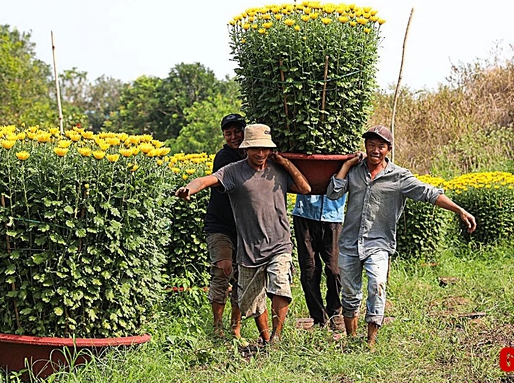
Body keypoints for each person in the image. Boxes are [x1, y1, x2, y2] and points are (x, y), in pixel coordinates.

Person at [327, 125, 476, 348]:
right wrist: (347, 165)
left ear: (389, 149)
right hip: (349, 243)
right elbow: (333, 193)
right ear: (365, 146)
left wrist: (459, 210)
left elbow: (430, 193)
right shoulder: (355, 171)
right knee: (349, 293)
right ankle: (350, 339)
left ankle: (370, 342)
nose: (375, 150)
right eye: (371, 145)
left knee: (377, 285)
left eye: (381, 146)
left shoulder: (399, 177)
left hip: (379, 243)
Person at [176, 124, 311, 345]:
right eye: (255, 149)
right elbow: (205, 180)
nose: (260, 154)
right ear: (246, 148)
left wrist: (286, 162)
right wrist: (189, 189)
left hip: (279, 242)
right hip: (250, 247)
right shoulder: (233, 171)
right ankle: (266, 338)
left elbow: (305, 188)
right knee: (254, 301)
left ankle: (277, 337)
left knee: (280, 286)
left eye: (265, 149)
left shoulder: (277, 169)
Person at [203, 113, 246, 337]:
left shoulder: (253, 154)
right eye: (228, 133)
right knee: (223, 269)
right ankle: (217, 326)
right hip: (220, 224)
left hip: (244, 227)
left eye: (237, 132)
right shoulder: (224, 157)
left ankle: (236, 327)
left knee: (241, 277)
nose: (233, 137)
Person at [292, 194, 346, 331]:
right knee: (309, 270)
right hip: (305, 213)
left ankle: (334, 312)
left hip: (333, 215)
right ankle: (318, 318)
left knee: (335, 270)